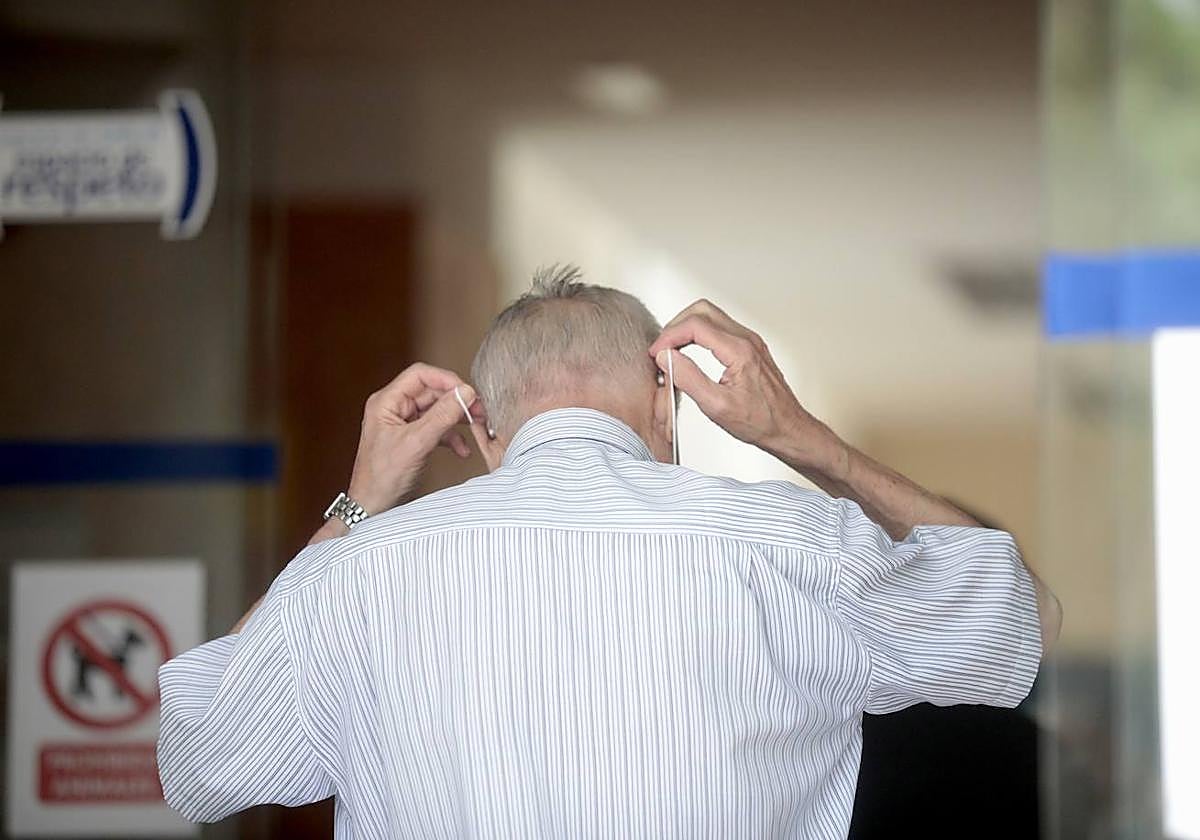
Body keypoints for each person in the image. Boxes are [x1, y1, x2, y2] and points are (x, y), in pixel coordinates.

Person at [157, 266, 1061, 839]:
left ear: (485, 426)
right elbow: (1022, 618)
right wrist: (804, 440)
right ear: (667, 410)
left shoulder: (360, 577)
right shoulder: (791, 546)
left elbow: (197, 759)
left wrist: (355, 510)